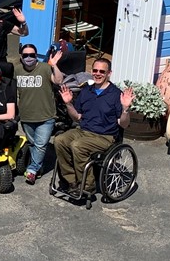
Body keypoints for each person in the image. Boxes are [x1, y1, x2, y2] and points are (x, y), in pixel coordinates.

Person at [54, 58, 134, 195]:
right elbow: (77, 117)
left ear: (109, 73)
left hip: (105, 136)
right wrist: (68, 104)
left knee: (77, 145)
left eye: (102, 71)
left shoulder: (115, 94)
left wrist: (125, 109)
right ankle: (72, 181)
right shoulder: (86, 91)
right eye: (95, 70)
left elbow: (124, 124)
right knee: (59, 140)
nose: (98, 74)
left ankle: (87, 185)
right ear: (91, 71)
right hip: (83, 130)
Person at [16, 44, 63, 185]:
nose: (29, 58)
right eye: (25, 55)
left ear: (36, 56)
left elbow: (59, 80)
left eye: (32, 55)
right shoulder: (17, 70)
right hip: (26, 116)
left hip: (46, 116)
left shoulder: (45, 68)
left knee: (41, 144)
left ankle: (32, 170)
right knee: (33, 144)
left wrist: (54, 65)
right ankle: (39, 166)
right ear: (21, 57)